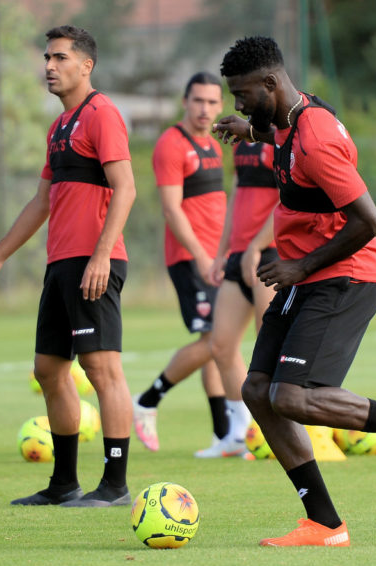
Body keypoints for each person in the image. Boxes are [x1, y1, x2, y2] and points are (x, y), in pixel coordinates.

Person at [213, 36, 376, 547]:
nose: (237, 104)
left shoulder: (317, 137)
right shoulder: (286, 118)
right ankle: (325, 524)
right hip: (307, 277)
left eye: (242, 95)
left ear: (271, 83)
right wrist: (250, 130)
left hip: (344, 276)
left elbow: (371, 220)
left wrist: (299, 264)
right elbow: (275, 135)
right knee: (259, 391)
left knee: (294, 396)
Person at [0, 25, 136, 507]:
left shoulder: (103, 115)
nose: (49, 66)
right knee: (48, 370)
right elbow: (42, 201)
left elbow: (125, 188)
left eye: (60, 58)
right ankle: (64, 484)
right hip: (60, 264)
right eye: (46, 58)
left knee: (102, 370)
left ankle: (116, 486)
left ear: (87, 66)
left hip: (93, 262)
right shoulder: (59, 127)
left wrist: (102, 255)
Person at [131, 72, 248, 458]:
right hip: (190, 258)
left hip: (217, 258)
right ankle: (148, 400)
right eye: (198, 101)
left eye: (213, 102)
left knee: (218, 345)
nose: (206, 109)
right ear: (185, 101)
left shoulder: (216, 144)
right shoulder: (170, 144)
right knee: (217, 342)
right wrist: (200, 255)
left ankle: (225, 435)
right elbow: (171, 208)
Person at [204, 139, 278, 453]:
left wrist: (258, 246)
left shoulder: (282, 137)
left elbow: (291, 200)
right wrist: (223, 251)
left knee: (268, 348)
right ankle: (239, 433)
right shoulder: (242, 141)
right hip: (239, 255)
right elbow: (236, 196)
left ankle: (277, 433)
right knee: (220, 346)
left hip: (271, 253)